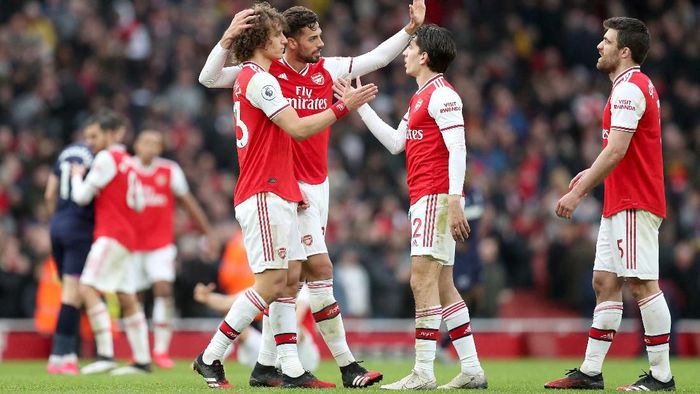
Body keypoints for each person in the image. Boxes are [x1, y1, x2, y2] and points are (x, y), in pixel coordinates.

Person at [199, 1, 425, 387]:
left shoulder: (325, 70)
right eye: (313, 36)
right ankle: (324, 365)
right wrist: (226, 39)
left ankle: (272, 366)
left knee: (291, 279)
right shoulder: (263, 74)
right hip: (277, 184)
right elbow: (208, 78)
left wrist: (409, 30)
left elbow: (375, 59)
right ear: (286, 41)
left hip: (308, 186)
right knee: (301, 275)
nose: (321, 42)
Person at [350, 24, 487, 389]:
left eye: (410, 47)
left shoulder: (443, 95)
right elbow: (397, 143)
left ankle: (423, 372)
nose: (405, 53)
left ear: (425, 56)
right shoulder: (421, 97)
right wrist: (360, 107)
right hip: (427, 198)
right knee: (443, 285)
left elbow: (458, 148)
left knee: (421, 280)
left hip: (435, 197)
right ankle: (472, 369)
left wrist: (455, 199)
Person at [545, 17, 675, 391]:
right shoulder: (631, 86)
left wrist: (578, 190)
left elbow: (617, 150)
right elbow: (621, 149)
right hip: (619, 200)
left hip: (634, 200)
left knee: (642, 285)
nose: (598, 45)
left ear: (625, 51)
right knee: (604, 282)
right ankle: (590, 372)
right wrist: (591, 171)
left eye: (606, 41)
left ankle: (662, 377)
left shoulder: (630, 88)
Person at [70, 110, 151, 375]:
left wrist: (75, 175)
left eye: (93, 136)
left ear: (108, 134)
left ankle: (105, 354)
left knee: (87, 288)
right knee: (126, 295)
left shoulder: (106, 158)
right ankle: (142, 360)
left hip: (110, 234)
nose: (89, 143)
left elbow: (82, 197)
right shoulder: (130, 161)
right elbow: (139, 204)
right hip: (127, 236)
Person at [130, 129, 219, 369]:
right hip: (131, 244)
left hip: (160, 244)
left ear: (160, 149)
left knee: (163, 289)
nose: (149, 146)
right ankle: (139, 353)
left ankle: (160, 350)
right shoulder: (126, 169)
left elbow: (188, 204)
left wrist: (208, 233)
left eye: (155, 143)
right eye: (145, 141)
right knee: (135, 297)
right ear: (136, 144)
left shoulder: (169, 170)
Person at [45, 116, 106, 374]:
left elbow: (50, 192)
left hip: (57, 225)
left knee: (69, 291)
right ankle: (64, 356)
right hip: (79, 228)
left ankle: (61, 355)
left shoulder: (66, 153)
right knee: (73, 292)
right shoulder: (99, 156)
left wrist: (57, 220)